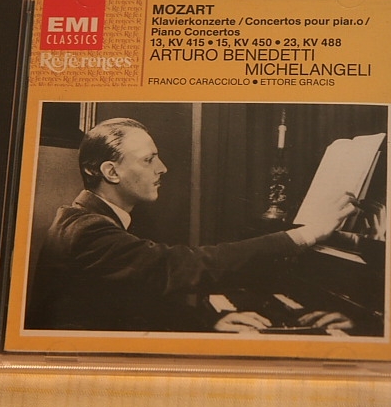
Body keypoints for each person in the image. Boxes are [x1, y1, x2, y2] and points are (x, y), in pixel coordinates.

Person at [25, 118, 356, 333]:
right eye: (149, 159)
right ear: (111, 172)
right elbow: (184, 265)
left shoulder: (89, 219)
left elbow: (135, 301)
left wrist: (210, 322)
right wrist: (305, 234)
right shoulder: (89, 232)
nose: (163, 168)